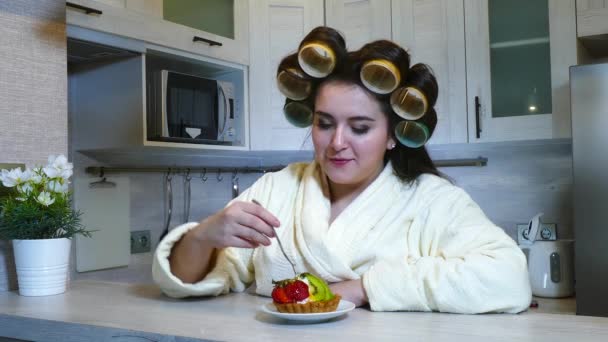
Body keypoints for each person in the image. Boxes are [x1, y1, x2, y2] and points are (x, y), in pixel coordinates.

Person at [152, 27, 532, 314]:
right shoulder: (278, 190)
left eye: (361, 128)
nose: (337, 143)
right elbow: (190, 281)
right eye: (325, 123)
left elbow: (509, 279)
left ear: (393, 135)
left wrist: (365, 288)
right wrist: (203, 237)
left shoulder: (433, 201)